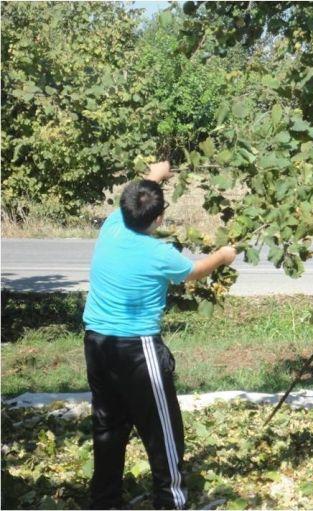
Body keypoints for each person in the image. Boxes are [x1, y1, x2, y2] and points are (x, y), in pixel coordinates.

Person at [82, 161, 237, 509]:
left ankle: (104, 501)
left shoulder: (112, 226)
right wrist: (223, 256)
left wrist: (154, 174)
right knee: (163, 432)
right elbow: (195, 271)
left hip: (96, 344)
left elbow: (134, 198)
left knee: (108, 425)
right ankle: (170, 502)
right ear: (158, 219)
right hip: (138, 351)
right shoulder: (158, 254)